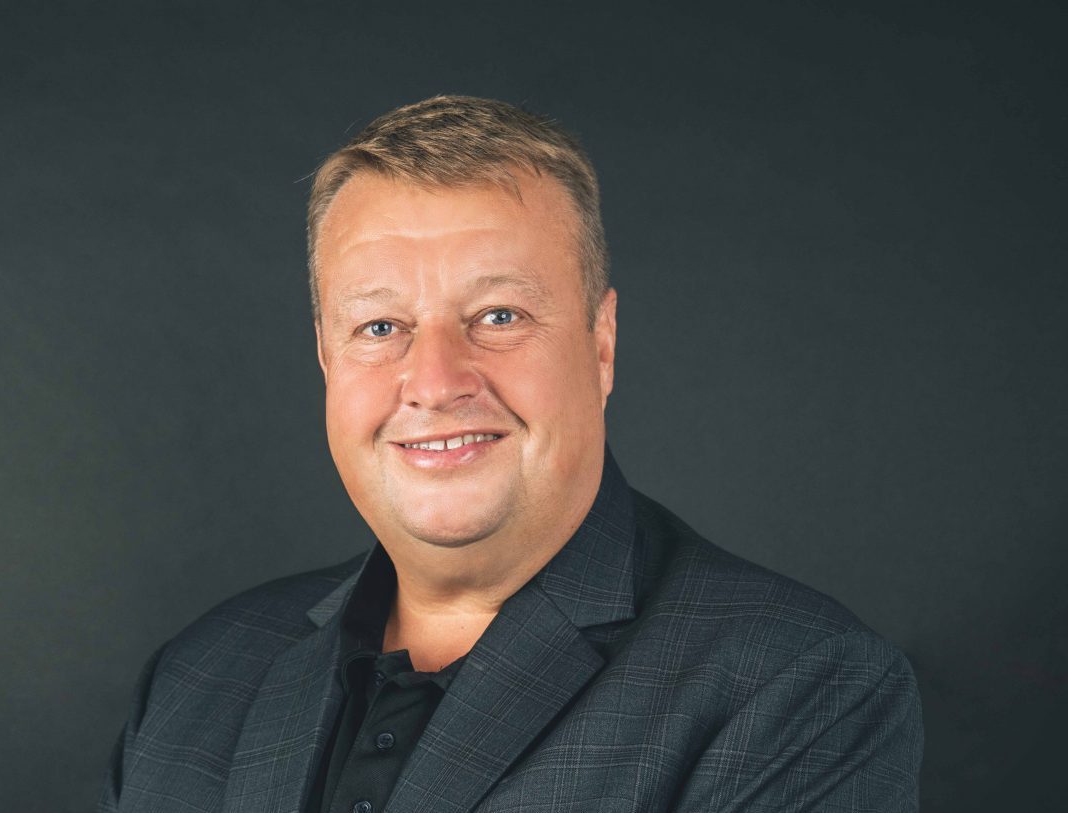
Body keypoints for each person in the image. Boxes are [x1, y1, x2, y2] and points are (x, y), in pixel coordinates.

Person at [98, 95, 923, 813]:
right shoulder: (198, 674)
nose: (435, 381)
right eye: (380, 327)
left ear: (601, 344)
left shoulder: (798, 686)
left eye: (498, 316)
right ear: (325, 357)